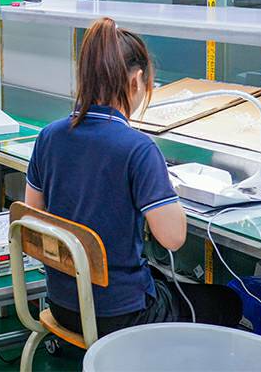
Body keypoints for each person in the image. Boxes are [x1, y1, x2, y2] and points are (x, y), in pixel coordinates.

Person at [24, 17, 241, 338]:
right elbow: (173, 239)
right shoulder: (138, 148)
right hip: (120, 316)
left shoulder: (49, 136)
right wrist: (162, 187)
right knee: (227, 302)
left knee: (159, 278)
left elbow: (32, 216)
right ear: (137, 80)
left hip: (64, 306)